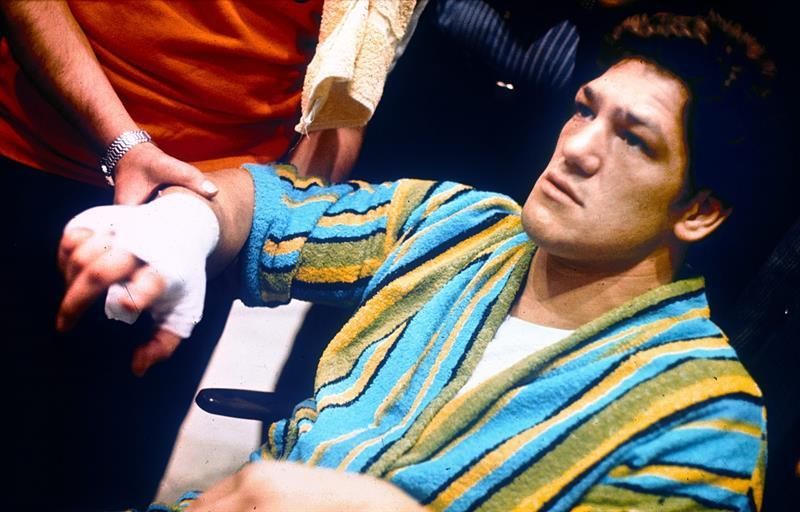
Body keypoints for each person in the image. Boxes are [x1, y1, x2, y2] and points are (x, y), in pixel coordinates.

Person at [57, 10, 773, 511]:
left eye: (635, 140)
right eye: (586, 110)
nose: (579, 148)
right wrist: (187, 225)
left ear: (699, 210)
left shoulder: (702, 417)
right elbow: (277, 207)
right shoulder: (464, 226)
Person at [0, 1, 422, 509]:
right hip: (41, 146)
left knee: (107, 472)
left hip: (210, 217)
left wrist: (214, 214)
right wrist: (125, 145)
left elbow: (351, 84)